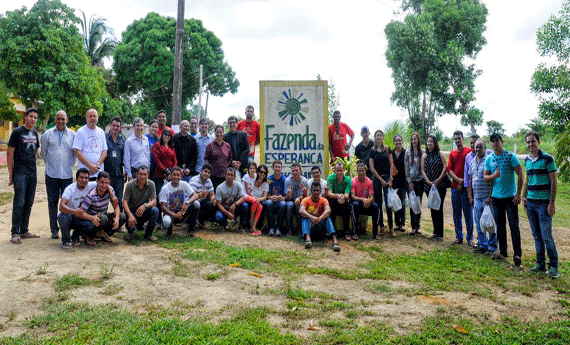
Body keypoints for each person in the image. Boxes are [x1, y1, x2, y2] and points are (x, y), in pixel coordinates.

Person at [523, 131, 559, 278]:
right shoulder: (526, 160)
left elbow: (553, 181)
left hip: (544, 204)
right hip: (530, 203)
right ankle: (540, 263)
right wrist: (524, 197)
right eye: (528, 142)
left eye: (533, 141)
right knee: (536, 235)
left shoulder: (547, 159)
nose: (530, 144)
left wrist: (552, 203)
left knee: (546, 236)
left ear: (539, 142)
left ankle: (554, 266)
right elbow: (528, 179)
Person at [484, 133, 524, 267]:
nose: (495, 143)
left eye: (497, 141)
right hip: (496, 198)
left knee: (514, 226)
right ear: (491, 144)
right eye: (493, 142)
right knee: (500, 226)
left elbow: (520, 174)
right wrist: (493, 176)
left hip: (510, 198)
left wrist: (518, 194)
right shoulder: (489, 158)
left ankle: (517, 254)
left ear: (502, 141)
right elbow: (485, 177)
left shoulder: (510, 156)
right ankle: (503, 252)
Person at [41, 110, 76, 239]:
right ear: (55, 120)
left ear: (67, 120)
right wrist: (51, 165)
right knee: (52, 202)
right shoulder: (47, 134)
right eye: (58, 118)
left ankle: (65, 228)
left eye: (63, 119)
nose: (61, 121)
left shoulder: (73, 134)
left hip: (67, 174)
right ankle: (54, 230)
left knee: (67, 203)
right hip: (51, 174)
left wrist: (69, 165)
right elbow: (43, 153)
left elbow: (74, 154)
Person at [8, 107, 41, 244]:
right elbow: (10, 153)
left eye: (35, 117)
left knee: (29, 202)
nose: (33, 119)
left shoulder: (35, 133)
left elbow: (35, 150)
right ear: (25, 117)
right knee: (19, 203)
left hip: (32, 173)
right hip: (20, 173)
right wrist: (11, 175)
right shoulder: (17, 132)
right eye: (31, 116)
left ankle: (24, 230)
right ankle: (15, 232)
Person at [77, 171, 125, 245]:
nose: (104, 185)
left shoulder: (110, 190)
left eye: (106, 183)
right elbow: (81, 212)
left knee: (122, 216)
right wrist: (91, 218)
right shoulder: (91, 195)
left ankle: (103, 233)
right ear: (97, 181)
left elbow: (116, 206)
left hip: (102, 217)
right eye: (102, 182)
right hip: (91, 220)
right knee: (103, 218)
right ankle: (88, 236)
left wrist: (117, 219)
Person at [57, 168, 99, 249]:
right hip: (70, 216)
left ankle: (76, 235)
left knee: (92, 224)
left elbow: (103, 184)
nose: (84, 180)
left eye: (86, 178)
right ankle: (66, 240)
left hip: (82, 217)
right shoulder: (70, 189)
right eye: (81, 177)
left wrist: (112, 195)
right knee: (62, 216)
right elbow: (61, 206)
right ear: (76, 178)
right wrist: (74, 211)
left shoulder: (90, 185)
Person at [468, 139, 496, 256]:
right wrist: (470, 196)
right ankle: (482, 244)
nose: (478, 149)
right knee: (479, 222)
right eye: (476, 147)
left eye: (480, 147)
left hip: (486, 198)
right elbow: (470, 180)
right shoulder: (472, 161)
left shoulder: (488, 161)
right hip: (477, 198)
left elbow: (493, 180)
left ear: (485, 148)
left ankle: (492, 246)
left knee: (490, 223)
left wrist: (489, 196)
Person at [447, 130, 474, 245]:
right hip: (455, 188)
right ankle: (459, 236)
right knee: (456, 212)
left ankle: (470, 237)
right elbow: (449, 169)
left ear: (463, 138)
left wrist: (464, 182)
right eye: (455, 138)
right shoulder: (452, 153)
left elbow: (472, 168)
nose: (457, 140)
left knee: (468, 213)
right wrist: (457, 180)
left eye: (459, 138)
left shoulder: (469, 151)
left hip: (467, 188)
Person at [299, 181, 341, 252]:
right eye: (314, 190)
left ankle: (335, 242)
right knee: (304, 218)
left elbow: (328, 210)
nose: (316, 192)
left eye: (318, 190)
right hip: (310, 228)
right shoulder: (305, 200)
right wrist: (312, 217)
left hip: (321, 228)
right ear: (311, 191)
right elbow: (301, 210)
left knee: (327, 218)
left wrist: (319, 218)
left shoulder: (324, 200)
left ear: (320, 191)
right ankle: (308, 240)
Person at [421, 135, 448, 242]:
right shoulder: (425, 155)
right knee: (432, 208)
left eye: (431, 142)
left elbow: (445, 167)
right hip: (429, 186)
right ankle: (435, 231)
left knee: (439, 208)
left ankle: (440, 234)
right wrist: (427, 181)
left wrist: (439, 179)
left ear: (435, 143)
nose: (429, 144)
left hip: (440, 185)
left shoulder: (440, 154)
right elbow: (422, 170)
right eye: (428, 142)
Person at [159, 166, 200, 237]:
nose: (176, 177)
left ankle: (191, 230)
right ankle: (169, 229)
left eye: (178, 175)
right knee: (166, 222)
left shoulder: (184, 184)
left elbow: (195, 195)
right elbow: (163, 206)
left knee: (196, 204)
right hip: (170, 213)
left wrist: (187, 203)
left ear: (181, 176)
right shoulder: (165, 188)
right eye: (174, 175)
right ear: (171, 176)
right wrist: (174, 214)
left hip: (182, 211)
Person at [369, 130, 395, 236]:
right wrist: (381, 180)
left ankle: (391, 227)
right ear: (374, 138)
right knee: (378, 203)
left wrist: (390, 179)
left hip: (387, 178)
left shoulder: (387, 149)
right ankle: (381, 226)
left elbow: (391, 164)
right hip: (377, 179)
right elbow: (371, 167)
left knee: (389, 203)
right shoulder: (372, 150)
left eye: (380, 135)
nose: (378, 137)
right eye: (377, 136)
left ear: (383, 137)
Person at [122, 166, 159, 241]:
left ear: (148, 175)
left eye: (145, 174)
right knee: (130, 225)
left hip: (143, 211)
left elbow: (154, 201)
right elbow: (124, 202)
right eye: (141, 174)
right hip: (132, 211)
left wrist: (145, 206)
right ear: (136, 174)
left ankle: (148, 234)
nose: (143, 176)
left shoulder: (151, 184)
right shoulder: (130, 184)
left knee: (155, 210)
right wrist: (130, 215)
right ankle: (130, 232)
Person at [73, 108, 107, 180]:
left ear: (97, 118)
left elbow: (104, 152)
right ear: (86, 118)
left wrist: (97, 166)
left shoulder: (101, 132)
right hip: (84, 174)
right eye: (90, 116)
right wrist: (90, 166)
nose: (92, 118)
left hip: (98, 173)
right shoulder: (80, 132)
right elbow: (77, 152)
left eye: (94, 116)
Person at [326, 161, 354, 241]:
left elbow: (347, 195)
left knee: (347, 207)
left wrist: (342, 197)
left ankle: (346, 232)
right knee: (331, 206)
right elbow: (329, 194)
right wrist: (338, 196)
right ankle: (331, 231)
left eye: (341, 170)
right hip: (334, 200)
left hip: (343, 200)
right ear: (335, 170)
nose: (339, 173)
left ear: (344, 170)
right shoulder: (330, 178)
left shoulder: (348, 179)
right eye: (337, 170)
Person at [351, 163, 379, 239]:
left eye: (362, 171)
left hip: (367, 203)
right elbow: (353, 196)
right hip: (358, 202)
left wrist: (368, 201)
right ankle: (354, 233)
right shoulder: (353, 181)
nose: (361, 173)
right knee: (354, 205)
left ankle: (375, 233)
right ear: (357, 171)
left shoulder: (369, 182)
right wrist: (362, 199)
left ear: (365, 171)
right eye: (359, 171)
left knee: (375, 207)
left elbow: (372, 197)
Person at [104, 116, 126, 211]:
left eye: (117, 126)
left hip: (118, 176)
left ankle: (119, 222)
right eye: (113, 125)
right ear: (110, 125)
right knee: (103, 201)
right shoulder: (104, 138)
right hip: (106, 175)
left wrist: (125, 173)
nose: (115, 128)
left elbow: (125, 158)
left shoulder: (122, 140)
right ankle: (102, 223)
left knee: (118, 201)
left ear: (120, 128)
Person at [405, 132, 424, 235]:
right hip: (411, 182)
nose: (413, 141)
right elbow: (406, 168)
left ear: (418, 140)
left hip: (420, 181)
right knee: (412, 204)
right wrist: (409, 181)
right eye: (412, 139)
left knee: (418, 203)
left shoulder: (422, 152)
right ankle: (413, 227)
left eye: (415, 139)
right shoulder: (408, 152)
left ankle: (418, 227)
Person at [243, 163, 269, 236]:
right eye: (261, 172)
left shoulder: (266, 183)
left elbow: (265, 196)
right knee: (254, 203)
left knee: (260, 206)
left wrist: (259, 199)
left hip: (257, 200)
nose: (262, 174)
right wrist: (255, 198)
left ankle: (254, 226)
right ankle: (251, 221)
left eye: (264, 173)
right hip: (249, 197)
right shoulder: (253, 178)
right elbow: (248, 190)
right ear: (257, 172)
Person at [205, 125, 232, 189]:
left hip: (224, 176)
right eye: (217, 132)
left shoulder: (227, 146)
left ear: (223, 133)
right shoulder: (210, 146)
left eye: (221, 132)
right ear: (215, 133)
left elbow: (229, 160)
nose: (219, 134)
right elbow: (206, 161)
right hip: (213, 176)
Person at [264, 160, 287, 236]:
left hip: (280, 201)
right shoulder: (269, 179)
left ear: (281, 168)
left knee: (283, 204)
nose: (277, 169)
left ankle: (278, 229)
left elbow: (285, 196)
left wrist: (282, 198)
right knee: (268, 202)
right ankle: (271, 228)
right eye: (276, 167)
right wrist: (271, 197)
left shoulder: (284, 179)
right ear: (273, 168)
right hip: (272, 200)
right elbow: (267, 195)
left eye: (279, 167)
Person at [284, 163, 309, 236]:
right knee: (289, 205)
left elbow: (305, 196)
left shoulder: (304, 180)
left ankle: (299, 230)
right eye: (293, 171)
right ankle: (289, 229)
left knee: (299, 206)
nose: (294, 172)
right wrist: (288, 194)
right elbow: (286, 198)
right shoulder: (288, 180)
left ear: (300, 171)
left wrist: (300, 197)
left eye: (296, 170)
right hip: (290, 200)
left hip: (300, 200)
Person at [152, 129, 177, 196]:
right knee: (160, 194)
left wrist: (172, 172)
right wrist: (166, 171)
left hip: (170, 176)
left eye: (169, 135)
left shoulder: (171, 147)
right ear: (162, 135)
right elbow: (157, 159)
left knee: (170, 195)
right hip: (159, 174)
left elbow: (174, 160)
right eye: (165, 134)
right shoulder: (157, 145)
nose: (167, 136)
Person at [391, 134, 407, 232]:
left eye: (400, 140)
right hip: (394, 181)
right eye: (396, 141)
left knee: (402, 202)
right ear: (394, 142)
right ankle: (397, 223)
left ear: (402, 142)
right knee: (395, 202)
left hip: (403, 180)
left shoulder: (406, 152)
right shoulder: (391, 153)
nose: (398, 142)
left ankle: (403, 223)